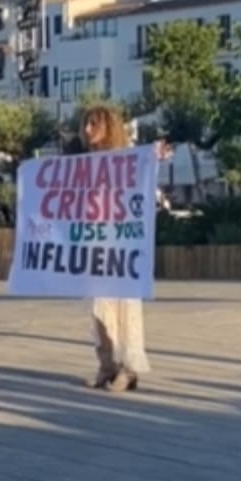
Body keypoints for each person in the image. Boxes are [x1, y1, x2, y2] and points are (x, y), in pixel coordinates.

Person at [82, 104, 150, 392]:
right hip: (95, 242)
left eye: (93, 124)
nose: (87, 130)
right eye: (86, 124)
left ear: (107, 127)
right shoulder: (86, 163)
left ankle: (128, 367)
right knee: (99, 307)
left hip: (121, 245)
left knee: (124, 307)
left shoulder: (124, 162)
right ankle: (106, 364)